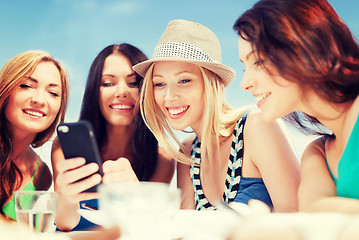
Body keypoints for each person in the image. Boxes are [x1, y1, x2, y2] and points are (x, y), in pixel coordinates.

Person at [135, 19, 300, 211]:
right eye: (159, 84)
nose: (169, 97)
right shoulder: (188, 153)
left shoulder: (256, 126)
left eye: (184, 80)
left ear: (213, 83)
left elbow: (300, 221)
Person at [229, 0, 359, 239]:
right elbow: (313, 213)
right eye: (245, 66)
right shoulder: (317, 153)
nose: (244, 83)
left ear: (303, 47)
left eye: (257, 61)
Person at [52, 43, 175, 231]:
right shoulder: (63, 147)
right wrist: (65, 200)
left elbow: (148, 229)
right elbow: (64, 223)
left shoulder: (163, 159)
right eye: (108, 83)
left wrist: (136, 194)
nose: (122, 92)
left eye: (133, 83)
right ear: (95, 91)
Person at [0, 50, 68, 220]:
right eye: (26, 86)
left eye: (53, 93)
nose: (39, 100)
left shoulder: (42, 174)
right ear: (5, 88)